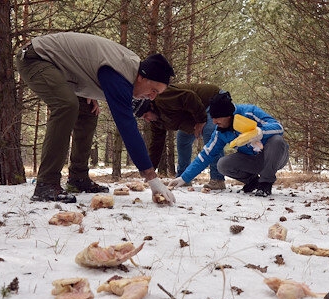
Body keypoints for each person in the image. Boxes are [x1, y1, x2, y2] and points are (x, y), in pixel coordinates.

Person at [15, 32, 176, 204]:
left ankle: (78, 178)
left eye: (156, 95)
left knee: (89, 110)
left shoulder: (131, 70)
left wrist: (87, 91)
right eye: (153, 90)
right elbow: (127, 127)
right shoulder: (120, 74)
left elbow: (89, 66)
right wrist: (152, 178)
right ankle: (46, 184)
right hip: (35, 58)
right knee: (66, 106)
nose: (152, 97)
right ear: (142, 77)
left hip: (62, 69)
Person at [169, 92, 289, 197]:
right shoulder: (220, 131)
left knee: (277, 140)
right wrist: (184, 178)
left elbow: (279, 127)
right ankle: (253, 182)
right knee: (222, 164)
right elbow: (206, 154)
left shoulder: (250, 112)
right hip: (252, 161)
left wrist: (260, 132)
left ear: (228, 115)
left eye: (217, 118)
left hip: (274, 157)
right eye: (213, 118)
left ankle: (265, 183)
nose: (214, 122)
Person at [133, 84, 226, 189]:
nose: (147, 120)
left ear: (151, 106)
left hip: (211, 101)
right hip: (195, 112)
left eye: (146, 116)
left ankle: (218, 179)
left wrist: (201, 120)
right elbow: (156, 144)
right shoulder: (156, 121)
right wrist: (150, 170)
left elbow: (189, 97)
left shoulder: (162, 98)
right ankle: (183, 178)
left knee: (210, 135)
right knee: (182, 141)